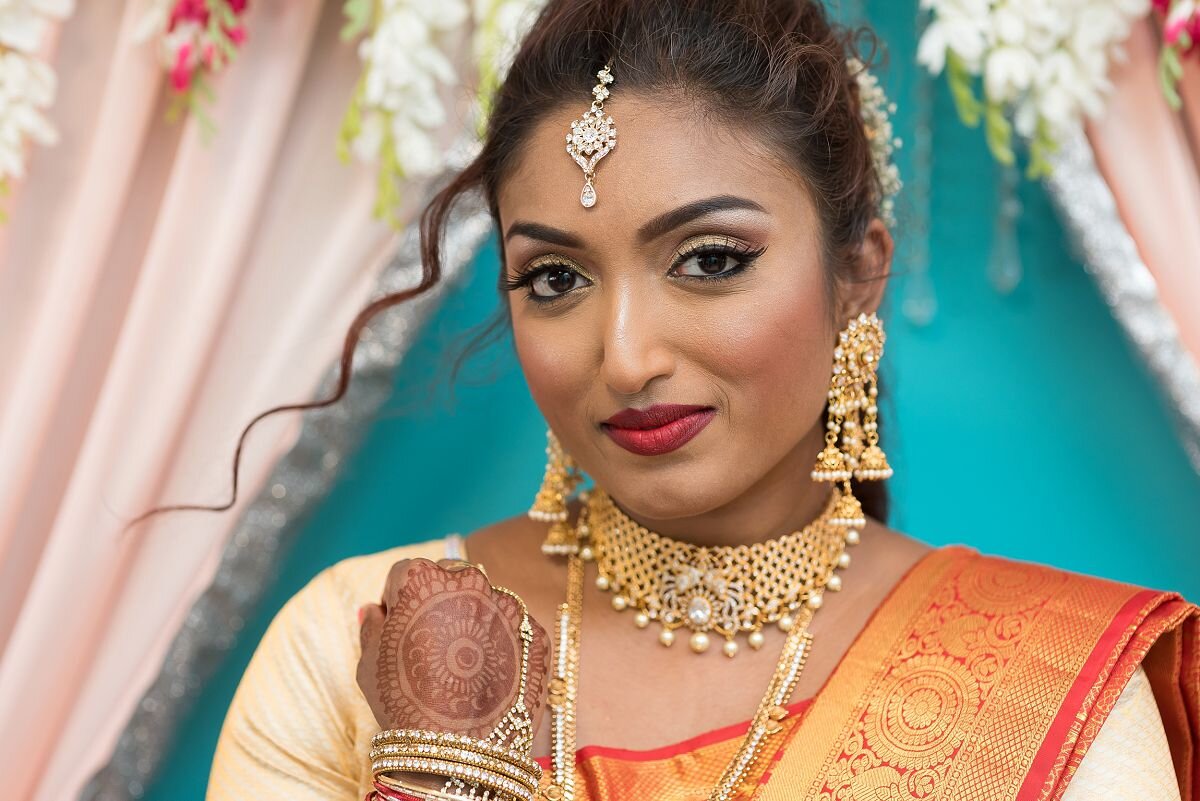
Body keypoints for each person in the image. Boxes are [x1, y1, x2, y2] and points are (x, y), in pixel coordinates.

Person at [200, 1, 1199, 799]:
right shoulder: (359, 644)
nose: (626, 357)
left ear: (858, 273)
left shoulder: (1054, 692)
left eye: (710, 260)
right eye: (554, 279)